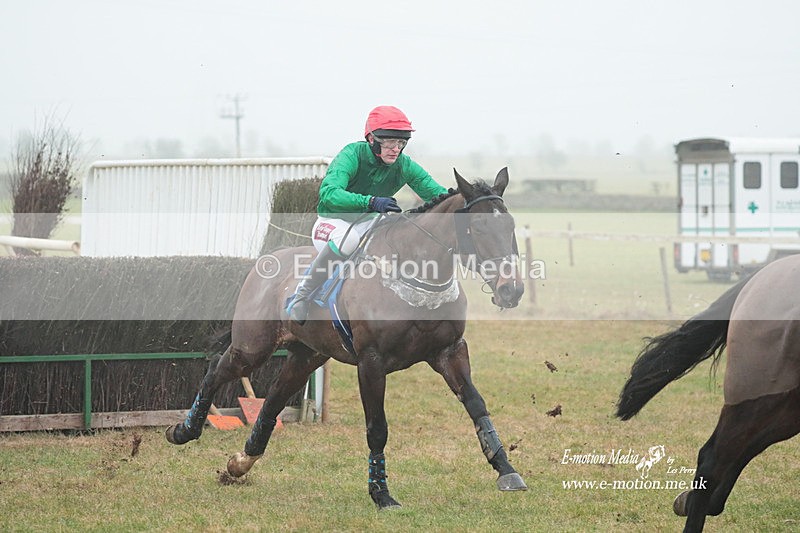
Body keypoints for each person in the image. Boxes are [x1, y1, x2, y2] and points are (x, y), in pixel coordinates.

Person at [287, 105, 449, 325]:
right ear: (372, 139)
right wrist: (370, 202)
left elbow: (438, 194)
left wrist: (467, 201)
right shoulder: (351, 155)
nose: (396, 149)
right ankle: (302, 294)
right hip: (333, 222)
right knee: (349, 240)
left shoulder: (404, 165)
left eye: (401, 143)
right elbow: (329, 194)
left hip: (369, 222)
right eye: (390, 143)